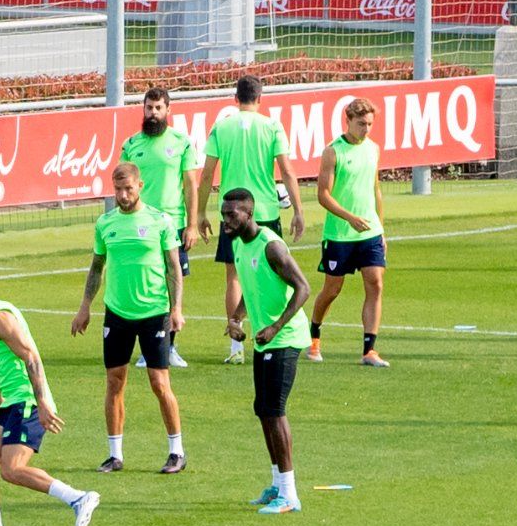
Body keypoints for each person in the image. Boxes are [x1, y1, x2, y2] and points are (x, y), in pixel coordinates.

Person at [0, 273, 100, 526]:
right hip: (12, 402)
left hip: (27, 403)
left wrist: (42, 401)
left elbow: (30, 356)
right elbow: (10, 360)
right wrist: (1, 393)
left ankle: (78, 498)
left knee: (12, 469)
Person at [72, 161, 187, 472]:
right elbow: (97, 267)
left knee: (159, 382)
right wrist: (85, 307)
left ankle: (177, 451)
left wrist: (176, 308)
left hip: (154, 313)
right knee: (114, 382)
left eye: (128, 189)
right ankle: (115, 454)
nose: (123, 195)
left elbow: (173, 267)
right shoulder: (105, 224)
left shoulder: (160, 221)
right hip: (117, 314)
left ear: (140, 187)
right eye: (118, 189)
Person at [212, 187, 315, 512]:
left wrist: (275, 326)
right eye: (223, 214)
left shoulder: (270, 246)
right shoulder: (240, 246)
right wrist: (237, 317)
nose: (225, 221)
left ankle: (290, 494)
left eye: (232, 215)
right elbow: (253, 287)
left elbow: (303, 288)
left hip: (284, 340)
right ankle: (276, 483)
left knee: (274, 410)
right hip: (265, 340)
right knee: (263, 409)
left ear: (249, 214)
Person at [203, 75, 296, 354]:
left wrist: (198, 214)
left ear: (235, 99)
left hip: (231, 214)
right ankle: (271, 334)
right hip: (264, 211)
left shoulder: (222, 126)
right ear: (260, 98)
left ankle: (235, 345)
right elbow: (288, 171)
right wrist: (299, 212)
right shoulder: (272, 125)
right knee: (274, 274)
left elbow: (207, 173)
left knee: (233, 276)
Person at [304, 96, 394, 366]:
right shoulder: (333, 151)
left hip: (369, 233)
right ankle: (314, 338)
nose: (366, 129)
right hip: (340, 234)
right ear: (348, 121)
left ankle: (369, 350)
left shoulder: (373, 149)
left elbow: (375, 189)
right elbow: (323, 195)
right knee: (332, 290)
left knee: (376, 284)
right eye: (361, 124)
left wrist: (381, 229)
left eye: (369, 124)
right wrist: (349, 217)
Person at [118, 86, 204, 289]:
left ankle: (172, 319)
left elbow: (190, 185)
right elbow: (121, 187)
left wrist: (192, 226)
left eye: (158, 108)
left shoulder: (181, 143)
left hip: (173, 224)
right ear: (143, 109)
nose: (153, 113)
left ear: (168, 110)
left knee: (173, 281)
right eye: (149, 108)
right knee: (142, 280)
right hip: (139, 222)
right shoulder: (131, 145)